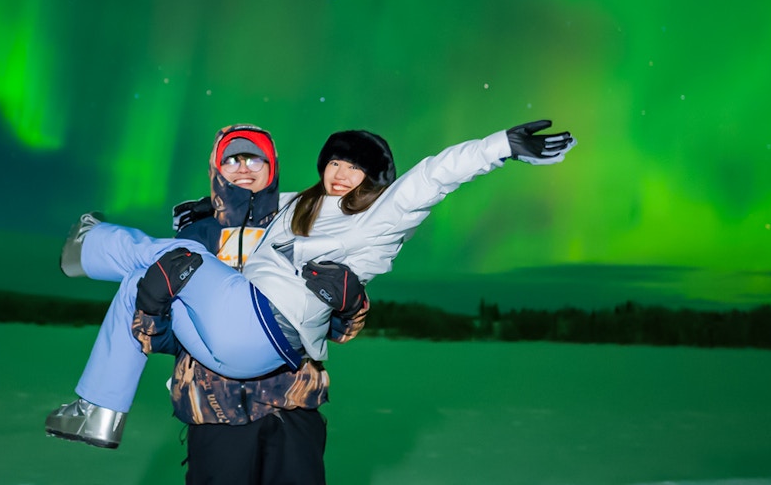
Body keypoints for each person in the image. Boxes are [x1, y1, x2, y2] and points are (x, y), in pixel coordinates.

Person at [45, 120, 576, 450]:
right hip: (228, 355)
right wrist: (214, 205)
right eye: (336, 163)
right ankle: (98, 410)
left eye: (357, 168)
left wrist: (498, 147)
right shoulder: (304, 206)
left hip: (266, 331)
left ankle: (89, 245)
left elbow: (431, 178)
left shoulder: (380, 220)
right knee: (145, 276)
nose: (342, 174)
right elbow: (262, 198)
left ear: (377, 181)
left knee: (174, 256)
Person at [140, 124, 369, 483]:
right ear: (216, 168)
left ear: (272, 165)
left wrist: (349, 301)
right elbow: (160, 338)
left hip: (292, 410)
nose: (244, 167)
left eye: (255, 158)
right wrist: (152, 303)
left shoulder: (304, 227)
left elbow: (338, 330)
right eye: (233, 159)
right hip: (215, 415)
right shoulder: (194, 236)